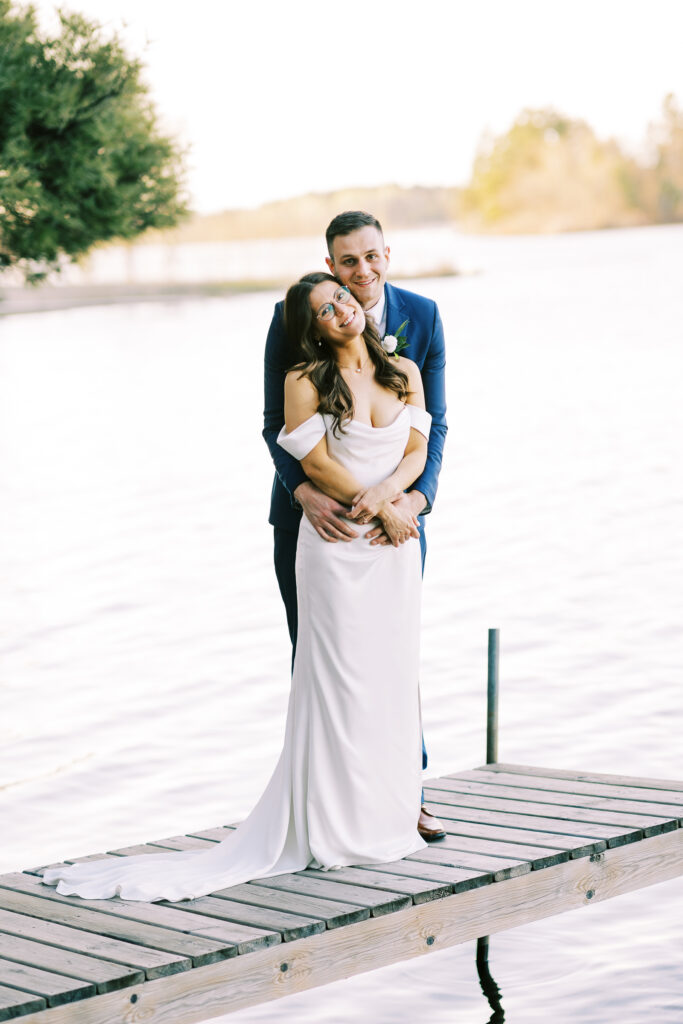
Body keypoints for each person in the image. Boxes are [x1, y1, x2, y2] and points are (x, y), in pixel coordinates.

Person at [42, 271, 432, 901]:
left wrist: (394, 500)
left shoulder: (404, 372)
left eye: (341, 297)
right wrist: (372, 505)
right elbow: (317, 463)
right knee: (337, 679)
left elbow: (416, 451)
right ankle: (334, 824)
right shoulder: (302, 381)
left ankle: (385, 815)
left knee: (390, 675)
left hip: (390, 548)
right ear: (311, 326)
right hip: (336, 546)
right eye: (324, 308)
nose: (339, 309)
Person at [263, 211, 448, 842]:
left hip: (397, 524)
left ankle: (406, 797)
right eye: (347, 262)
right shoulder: (292, 320)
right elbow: (276, 425)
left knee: (396, 660)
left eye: (370, 259)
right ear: (330, 261)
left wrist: (410, 503)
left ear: (387, 255)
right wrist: (304, 492)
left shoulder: (421, 319)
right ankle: (327, 810)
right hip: (319, 524)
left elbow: (435, 427)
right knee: (324, 664)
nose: (360, 275)